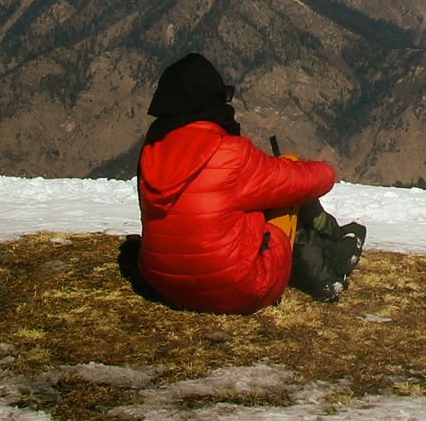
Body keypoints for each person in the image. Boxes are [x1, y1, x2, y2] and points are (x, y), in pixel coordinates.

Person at [134, 53, 364, 313]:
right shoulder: (230, 153)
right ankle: (331, 250)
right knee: (286, 180)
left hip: (164, 284)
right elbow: (301, 182)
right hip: (240, 287)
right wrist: (326, 170)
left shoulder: (151, 152)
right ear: (209, 101)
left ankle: (329, 246)